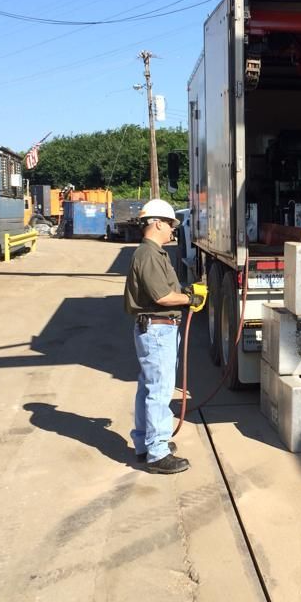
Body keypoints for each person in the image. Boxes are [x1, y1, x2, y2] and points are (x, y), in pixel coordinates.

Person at [123, 199, 204, 474]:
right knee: (158, 389)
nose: (173, 230)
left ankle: (145, 444)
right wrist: (190, 298)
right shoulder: (148, 255)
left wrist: (186, 293)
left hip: (155, 328)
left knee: (148, 386)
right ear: (157, 223)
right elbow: (163, 296)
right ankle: (157, 452)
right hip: (158, 328)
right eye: (170, 224)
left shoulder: (153, 254)